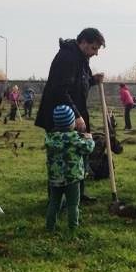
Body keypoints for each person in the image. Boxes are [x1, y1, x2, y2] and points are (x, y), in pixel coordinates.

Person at [34, 27, 105, 204]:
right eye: (94, 48)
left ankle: (78, 196)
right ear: (83, 42)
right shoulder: (67, 57)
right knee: (60, 158)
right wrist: (76, 115)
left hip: (76, 112)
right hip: (60, 117)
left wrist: (92, 80)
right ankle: (57, 200)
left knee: (79, 155)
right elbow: (60, 90)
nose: (95, 53)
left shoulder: (81, 59)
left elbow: (79, 85)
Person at [45, 104, 96, 234]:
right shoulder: (75, 139)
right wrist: (90, 139)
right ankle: (73, 228)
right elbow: (88, 149)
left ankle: (50, 227)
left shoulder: (50, 138)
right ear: (71, 123)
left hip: (54, 178)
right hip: (72, 178)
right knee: (73, 204)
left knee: (54, 203)